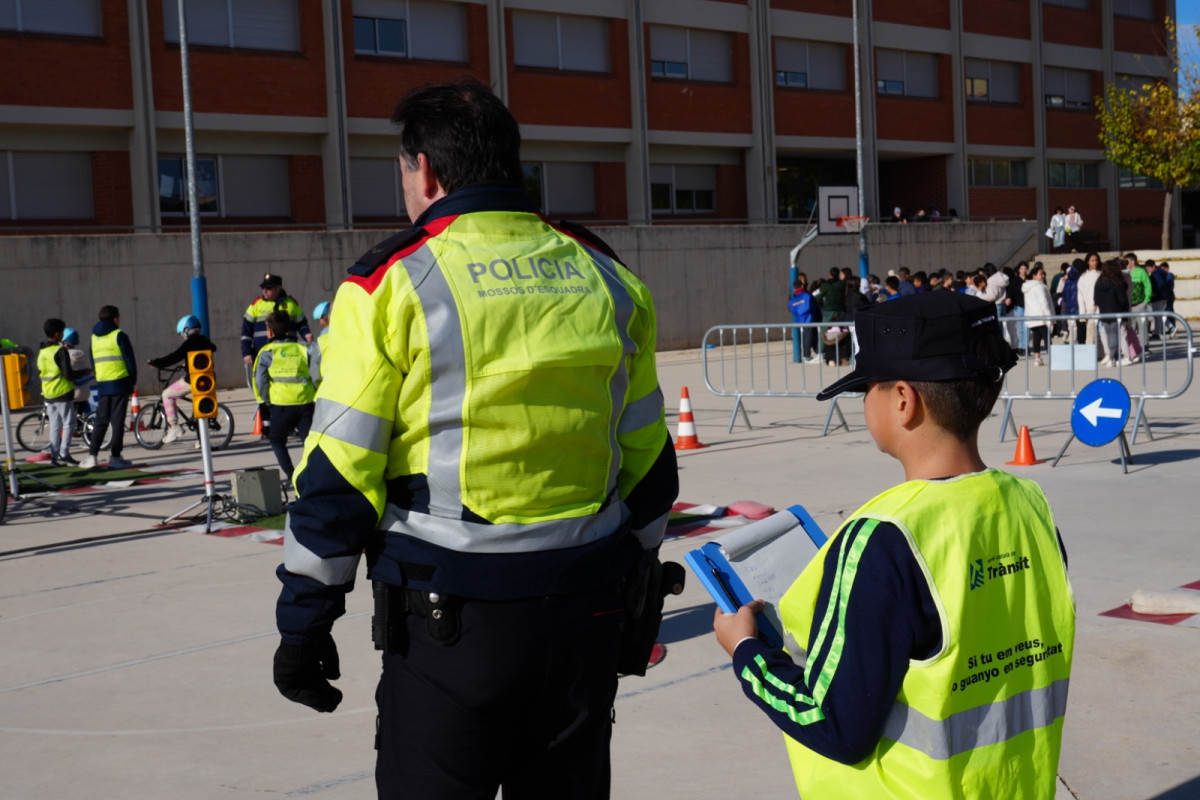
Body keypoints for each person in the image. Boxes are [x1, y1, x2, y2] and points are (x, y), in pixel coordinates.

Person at [271, 79, 678, 799]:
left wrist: (306, 622)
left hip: (449, 621)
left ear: (423, 168)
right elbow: (647, 462)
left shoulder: (390, 283)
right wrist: (638, 586)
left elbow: (338, 475)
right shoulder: (606, 274)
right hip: (586, 610)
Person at [711, 291, 1074, 799]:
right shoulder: (1031, 506)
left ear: (903, 400)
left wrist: (747, 652)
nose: (864, 403)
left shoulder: (883, 537)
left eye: (867, 389)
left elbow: (836, 725)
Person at [242, 273, 311, 439]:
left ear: (278, 288)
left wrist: (306, 334)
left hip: (286, 356)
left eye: (269, 288)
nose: (265, 291)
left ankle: (289, 426)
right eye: (263, 288)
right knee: (262, 389)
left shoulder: (290, 304)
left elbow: (302, 322)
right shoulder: (256, 305)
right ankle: (267, 429)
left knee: (284, 389)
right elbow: (246, 331)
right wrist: (246, 352)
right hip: (263, 355)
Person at [253, 311, 315, 481]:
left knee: (277, 440)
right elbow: (315, 375)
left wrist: (265, 400)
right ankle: (312, 475)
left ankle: (292, 475)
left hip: (281, 405)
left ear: (271, 332)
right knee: (310, 443)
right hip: (306, 403)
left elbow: (260, 380)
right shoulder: (303, 349)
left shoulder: (267, 352)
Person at [146, 315, 218, 445]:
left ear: (186, 330)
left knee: (167, 395)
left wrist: (157, 362)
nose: (183, 337)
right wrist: (188, 363)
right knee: (200, 407)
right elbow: (207, 352)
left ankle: (174, 427)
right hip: (208, 379)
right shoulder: (205, 341)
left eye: (182, 334)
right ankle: (202, 441)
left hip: (193, 380)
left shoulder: (189, 343)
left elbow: (173, 357)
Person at [81, 305, 136, 470]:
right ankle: (115, 457)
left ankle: (92, 456)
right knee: (118, 421)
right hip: (120, 382)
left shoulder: (94, 338)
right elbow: (130, 361)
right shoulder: (119, 335)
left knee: (101, 420)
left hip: (103, 383)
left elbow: (93, 360)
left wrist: (100, 377)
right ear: (115, 319)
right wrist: (131, 382)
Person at [37, 318, 92, 466]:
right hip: (62, 392)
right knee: (69, 424)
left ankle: (55, 456)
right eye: (61, 332)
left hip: (48, 393)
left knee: (55, 425)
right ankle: (64, 454)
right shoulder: (60, 351)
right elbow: (68, 374)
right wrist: (84, 372)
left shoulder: (42, 351)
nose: (62, 334)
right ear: (56, 334)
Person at [1095, 258, 1135, 368]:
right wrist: (1125, 309)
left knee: (1109, 335)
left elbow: (1096, 298)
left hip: (1104, 313)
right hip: (1118, 312)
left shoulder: (1099, 281)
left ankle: (1112, 357)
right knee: (1120, 334)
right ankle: (1121, 356)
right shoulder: (1118, 282)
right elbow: (1123, 299)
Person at [1023, 262, 1055, 366]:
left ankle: (1037, 358)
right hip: (1042, 316)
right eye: (1040, 274)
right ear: (1034, 275)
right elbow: (1044, 303)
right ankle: (1052, 358)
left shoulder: (1027, 287)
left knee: (1036, 338)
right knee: (1047, 337)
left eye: (1043, 274)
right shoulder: (1039, 286)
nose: (1043, 276)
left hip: (1032, 317)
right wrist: (1049, 317)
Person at [788, 275, 817, 363]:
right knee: (808, 338)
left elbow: (791, 308)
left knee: (804, 338)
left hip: (799, 319)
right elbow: (813, 306)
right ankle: (807, 355)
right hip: (808, 319)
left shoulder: (793, 299)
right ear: (802, 286)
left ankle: (807, 354)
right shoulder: (806, 296)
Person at [308, 301, 332, 386]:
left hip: (327, 380)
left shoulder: (324, 335)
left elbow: (315, 362)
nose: (320, 324)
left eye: (319, 320)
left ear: (325, 317)